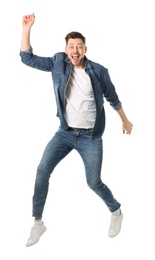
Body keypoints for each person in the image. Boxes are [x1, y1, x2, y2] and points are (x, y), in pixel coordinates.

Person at [20, 13, 133, 247]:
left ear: (85, 49)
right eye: (71, 46)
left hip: (90, 137)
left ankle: (116, 211)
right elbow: (26, 58)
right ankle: (38, 222)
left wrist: (125, 120)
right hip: (64, 133)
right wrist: (26, 29)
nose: (75, 50)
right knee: (42, 170)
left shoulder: (99, 71)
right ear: (66, 48)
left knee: (93, 182)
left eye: (79, 46)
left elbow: (113, 98)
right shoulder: (58, 62)